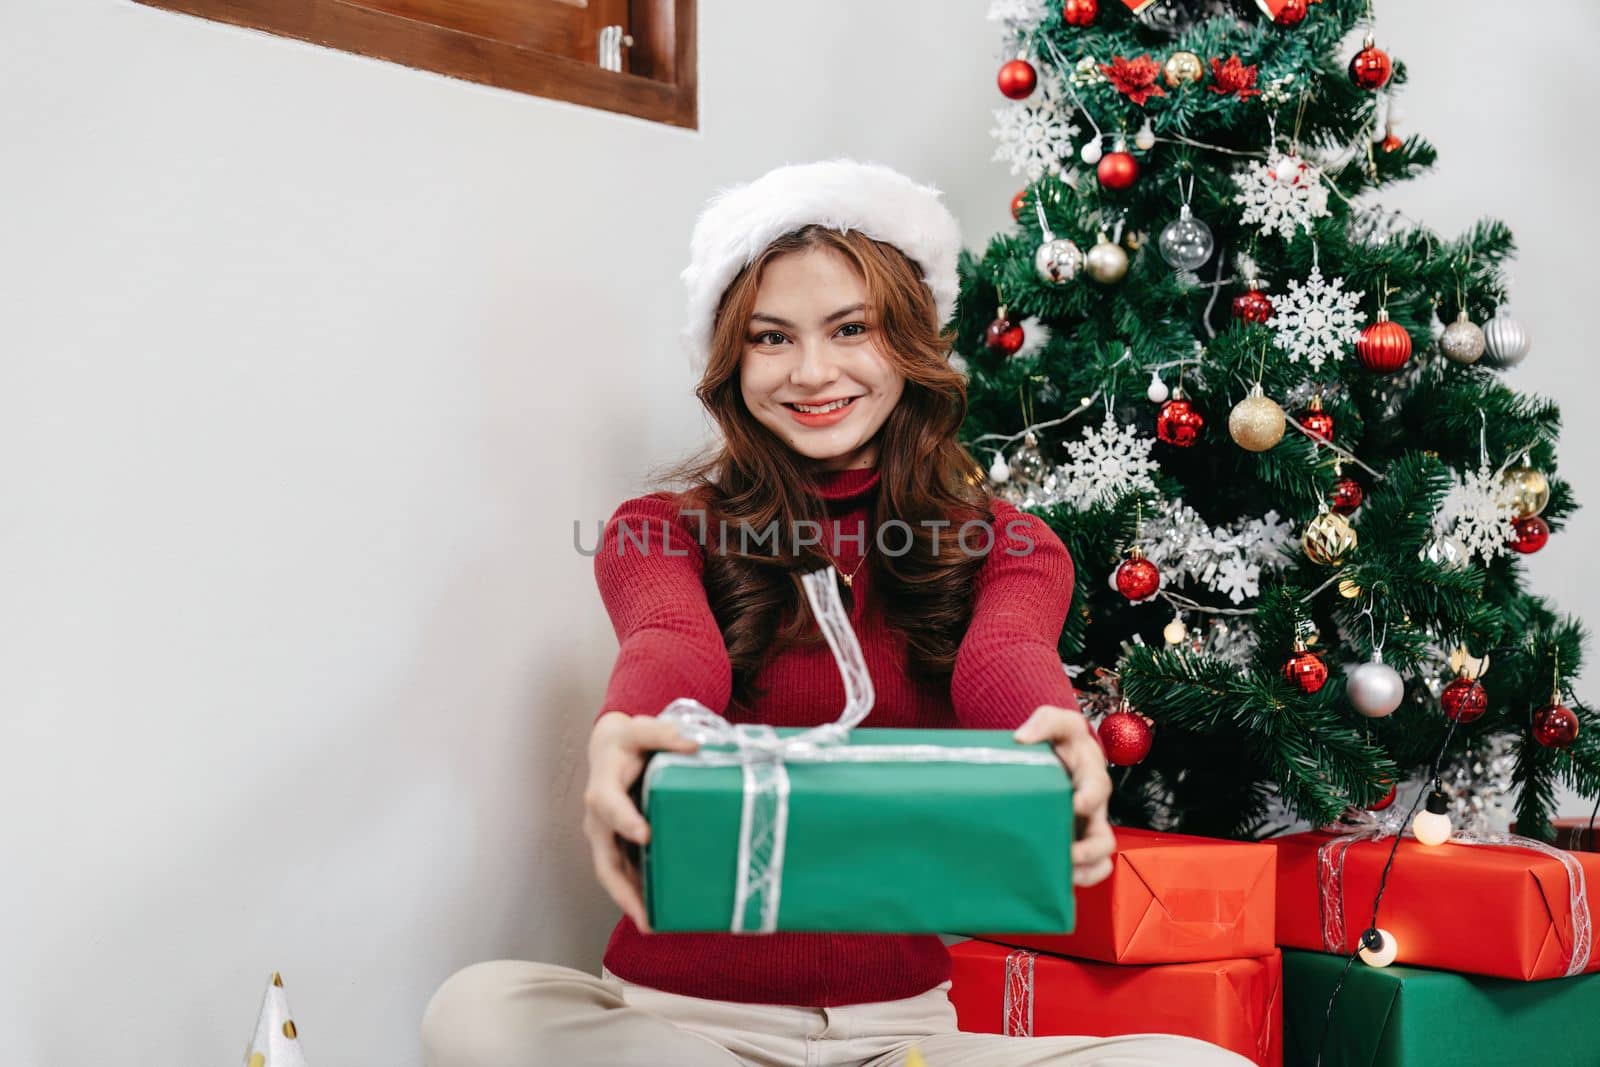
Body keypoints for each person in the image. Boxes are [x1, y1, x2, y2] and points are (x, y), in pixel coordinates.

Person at [420, 159, 1253, 1066]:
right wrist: (630, 728)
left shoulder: (1008, 543)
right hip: (677, 1030)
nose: (811, 372)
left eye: (850, 328)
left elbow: (1004, 662)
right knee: (478, 1009)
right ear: (732, 362)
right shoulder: (659, 530)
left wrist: (1056, 736)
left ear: (909, 341)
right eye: (771, 339)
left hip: (901, 1041)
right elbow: (671, 648)